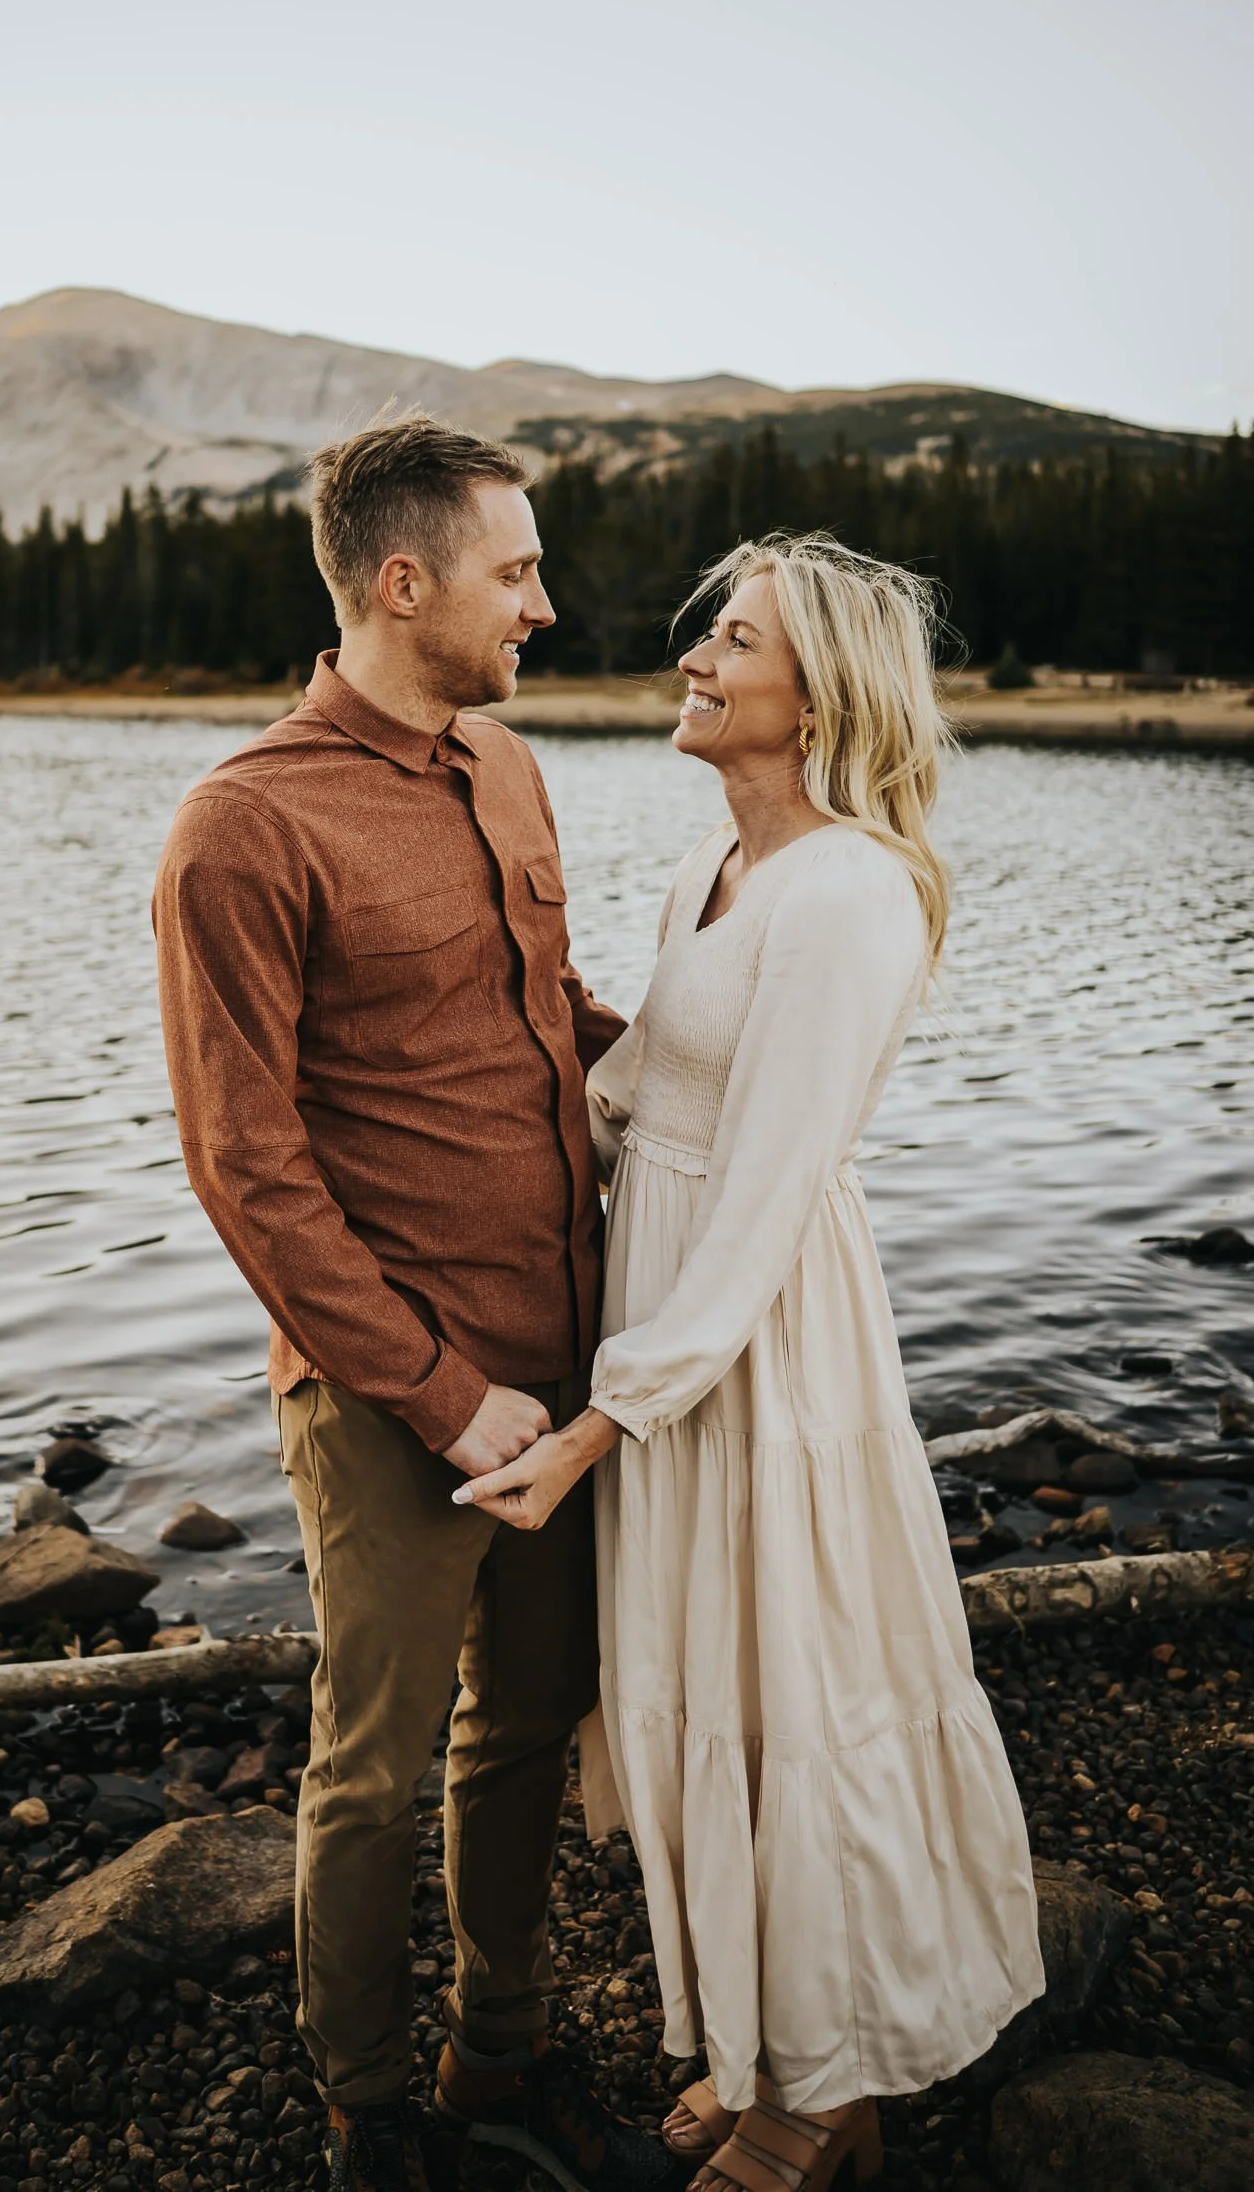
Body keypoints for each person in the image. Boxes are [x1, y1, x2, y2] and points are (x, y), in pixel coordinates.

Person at [455, 532, 1046, 2192]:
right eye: (709, 630)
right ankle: (756, 2045)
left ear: (819, 693)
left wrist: (595, 1425)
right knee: (701, 1682)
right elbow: (635, 1094)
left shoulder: (851, 889)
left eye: (735, 639)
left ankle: (829, 2085)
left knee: (794, 1687)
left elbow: (772, 1188)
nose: (694, 655)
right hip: (672, 1310)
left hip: (759, 1342)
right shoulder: (707, 871)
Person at [153, 413, 680, 2192]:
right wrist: (440, 1393)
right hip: (397, 1394)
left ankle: (498, 2060)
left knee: (527, 1724)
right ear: (402, 582)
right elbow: (248, 1164)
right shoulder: (243, 827)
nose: (544, 602)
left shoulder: (508, 768)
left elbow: (547, 1011)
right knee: (370, 1771)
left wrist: (720, 1084)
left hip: (570, 1356)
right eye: (515, 569)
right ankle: (368, 2115)